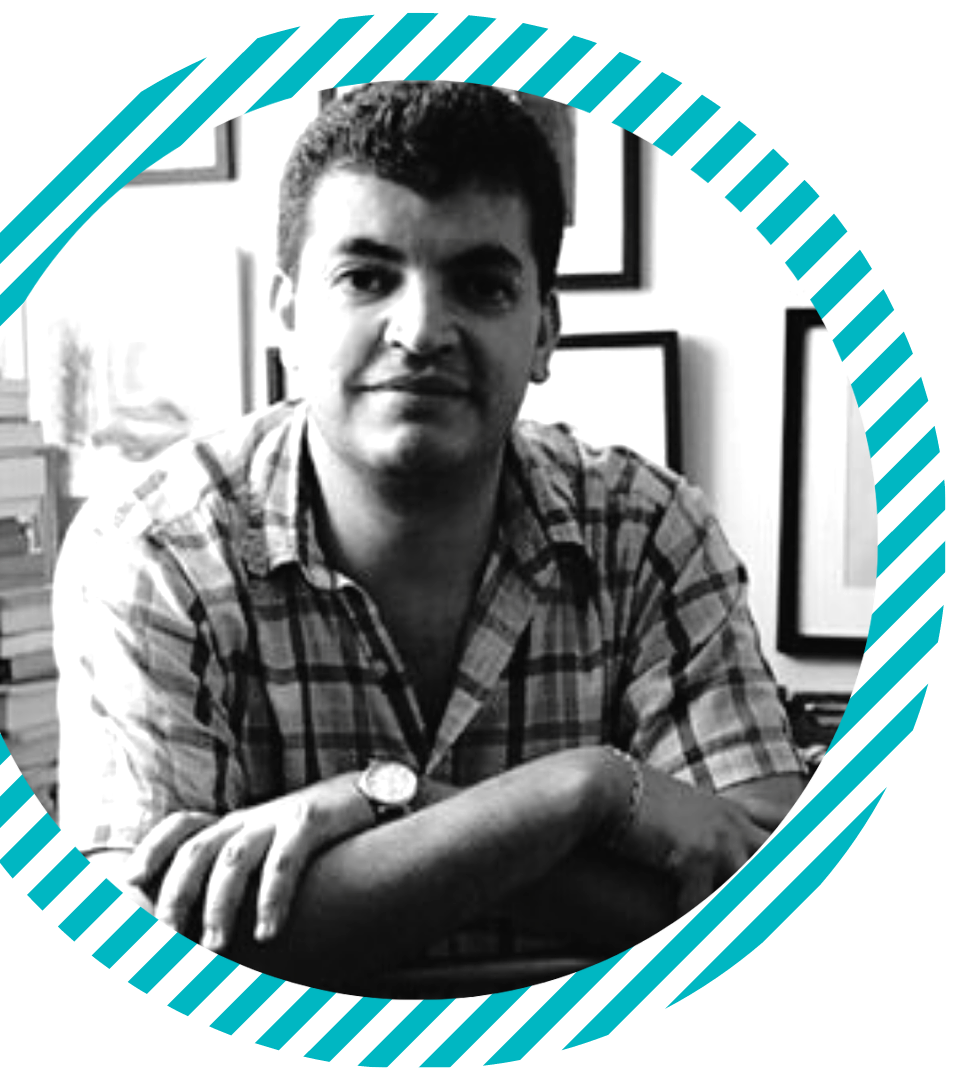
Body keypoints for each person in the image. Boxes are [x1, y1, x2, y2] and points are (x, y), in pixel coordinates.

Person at [54, 80, 807, 997]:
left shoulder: (652, 529)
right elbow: (173, 942)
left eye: (482, 285)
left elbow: (752, 888)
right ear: (288, 316)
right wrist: (580, 794)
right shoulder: (152, 550)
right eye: (367, 278)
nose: (419, 332)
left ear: (544, 332)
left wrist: (376, 808)